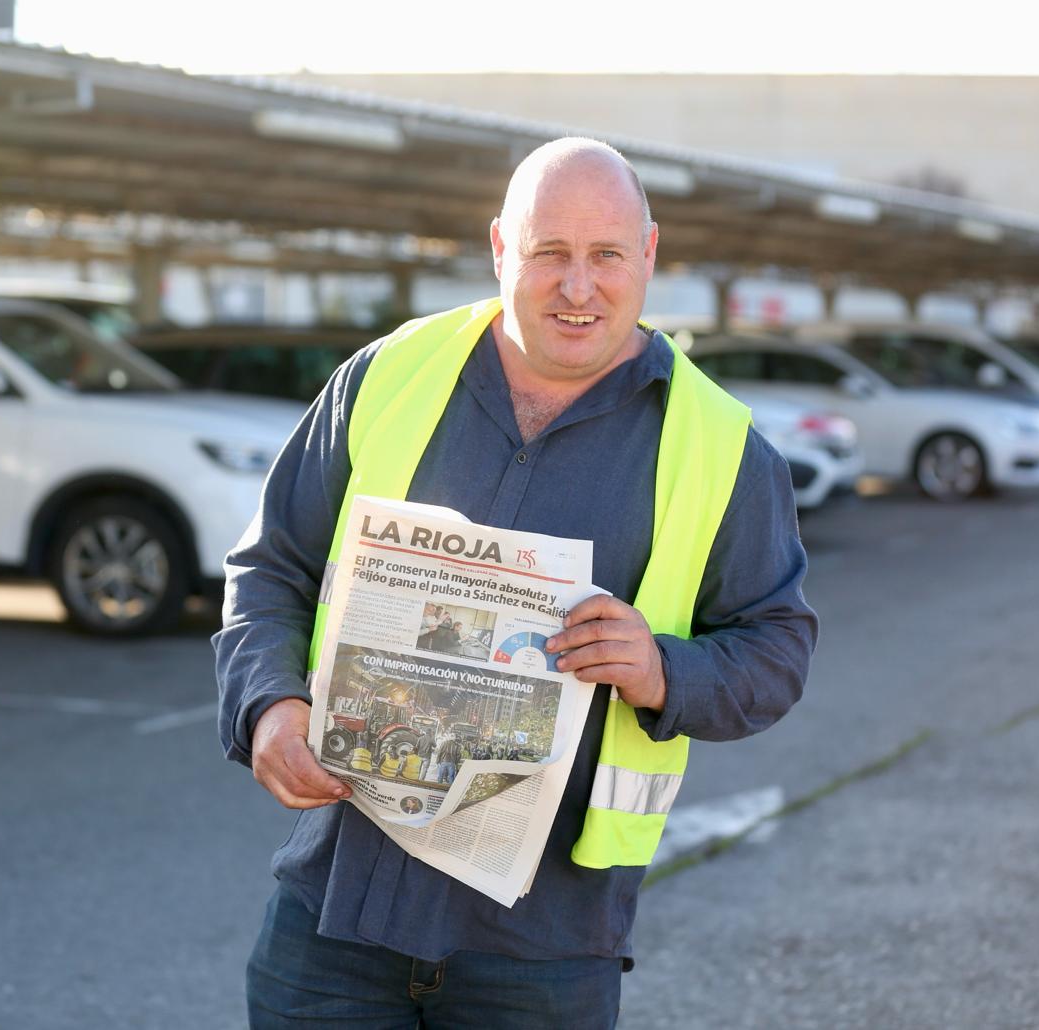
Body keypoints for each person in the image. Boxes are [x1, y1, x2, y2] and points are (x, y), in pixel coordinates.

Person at [216, 137, 817, 1029]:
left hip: (543, 954)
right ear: (501, 249)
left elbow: (777, 647)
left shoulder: (721, 446)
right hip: (337, 925)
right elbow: (271, 569)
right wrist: (265, 704)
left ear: (648, 254)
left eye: (606, 254)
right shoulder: (386, 378)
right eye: (550, 253)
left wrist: (662, 670)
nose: (579, 286)